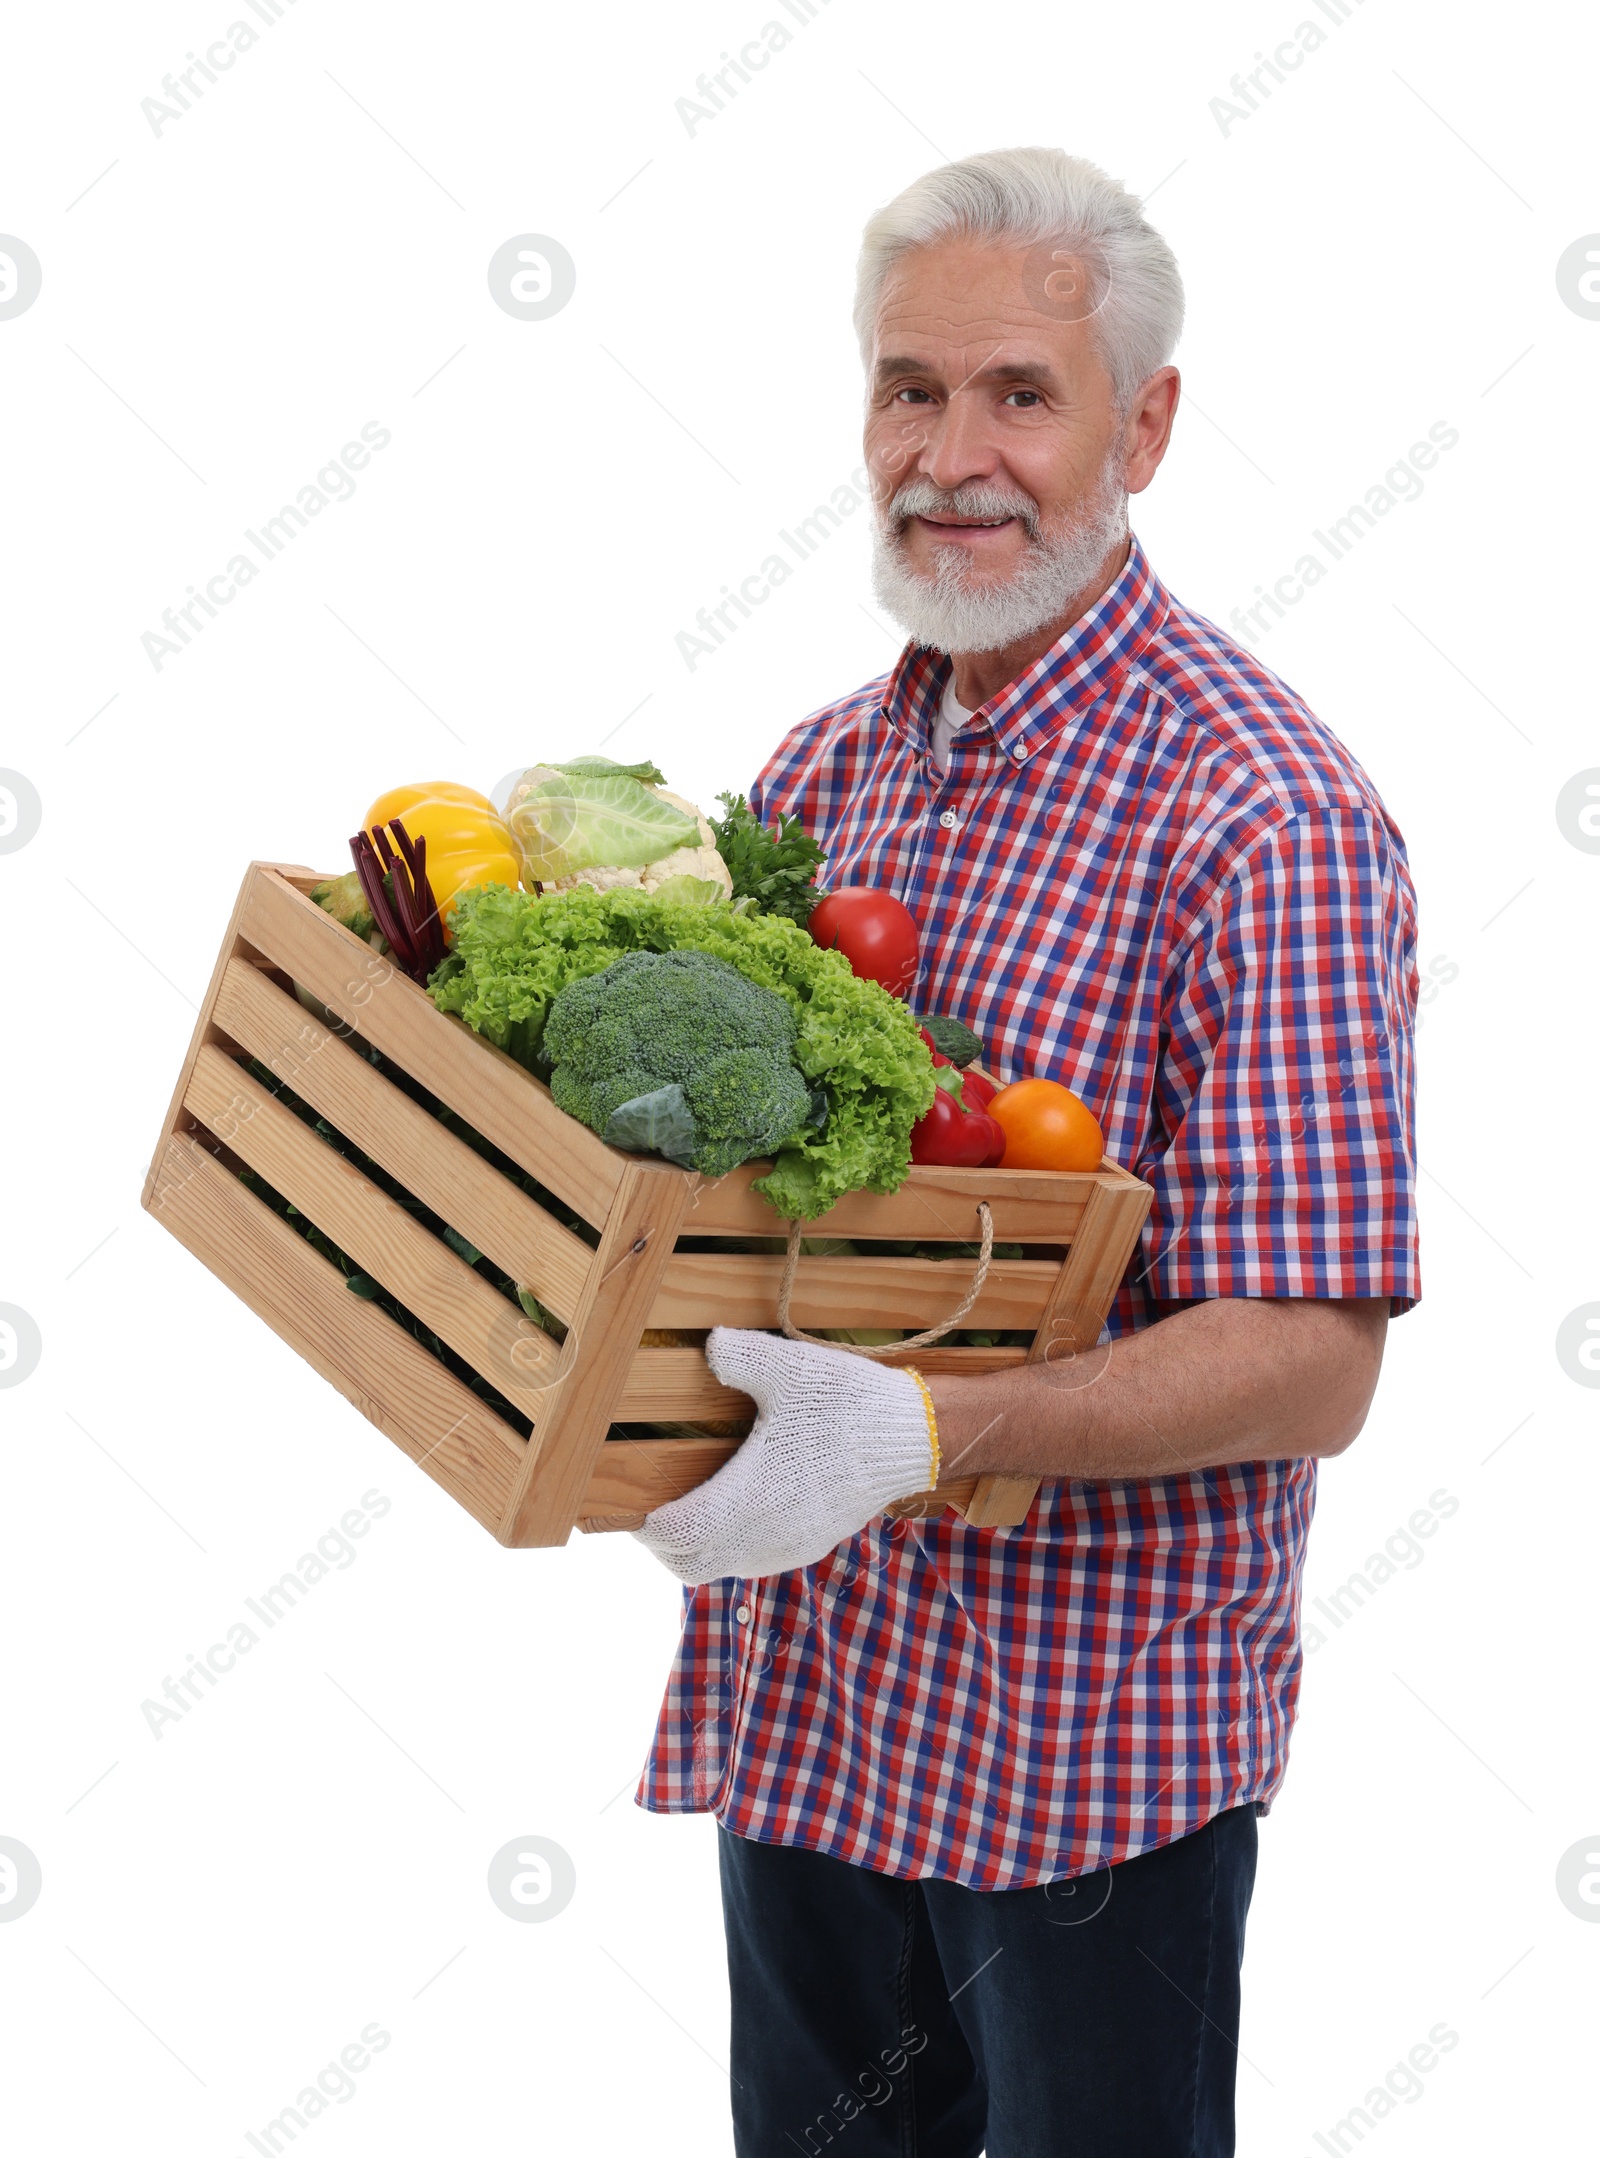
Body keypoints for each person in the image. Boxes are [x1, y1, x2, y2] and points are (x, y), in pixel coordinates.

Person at [632, 146, 1420, 2158]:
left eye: (1016, 394)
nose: (950, 454)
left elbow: (1315, 1356)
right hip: (811, 1706)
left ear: (1139, 424)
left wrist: (923, 1434)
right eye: (909, 388)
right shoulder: (816, 779)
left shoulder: (1261, 819)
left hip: (1085, 1767)